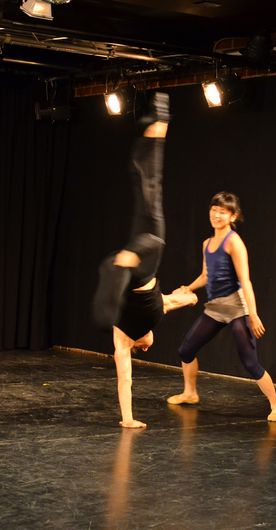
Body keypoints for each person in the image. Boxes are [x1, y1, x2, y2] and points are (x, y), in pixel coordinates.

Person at [92, 92, 197, 429]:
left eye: (146, 349)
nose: (150, 347)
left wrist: (128, 418)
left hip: (142, 266)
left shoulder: (123, 338)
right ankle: (158, 126)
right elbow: (179, 300)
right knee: (149, 190)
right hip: (142, 256)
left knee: (152, 232)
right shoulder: (158, 310)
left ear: (140, 343)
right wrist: (190, 296)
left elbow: (125, 379)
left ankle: (124, 262)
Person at [167, 191, 276, 422]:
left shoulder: (234, 242)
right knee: (186, 350)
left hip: (237, 308)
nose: (216, 215)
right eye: (214, 210)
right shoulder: (207, 244)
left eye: (222, 212)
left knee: (250, 362)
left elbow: (245, 280)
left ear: (233, 216)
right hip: (215, 308)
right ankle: (190, 393)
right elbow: (206, 275)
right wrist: (188, 288)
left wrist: (253, 314)